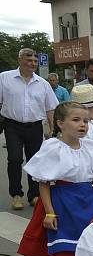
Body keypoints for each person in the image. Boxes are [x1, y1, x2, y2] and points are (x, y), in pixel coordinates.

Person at [17, 102, 93, 256]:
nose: (82, 125)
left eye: (86, 121)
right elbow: (44, 182)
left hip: (90, 202)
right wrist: (50, 212)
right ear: (60, 123)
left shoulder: (90, 146)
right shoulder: (53, 147)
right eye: (76, 120)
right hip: (65, 204)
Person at [0, 48, 59, 209]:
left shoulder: (43, 83)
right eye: (29, 60)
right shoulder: (4, 78)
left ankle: (34, 195)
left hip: (34, 126)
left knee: (35, 160)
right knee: (14, 158)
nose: (33, 63)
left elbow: (50, 108)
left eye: (35, 61)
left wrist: (54, 128)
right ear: (19, 60)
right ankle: (16, 195)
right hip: (12, 125)